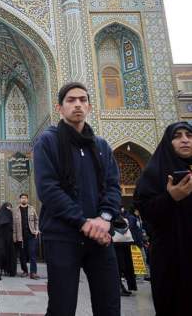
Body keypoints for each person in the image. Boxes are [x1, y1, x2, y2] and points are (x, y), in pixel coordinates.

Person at [33, 82, 121, 316]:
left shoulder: (101, 146)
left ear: (90, 106)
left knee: (109, 305)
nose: (78, 105)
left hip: (100, 237)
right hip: (62, 236)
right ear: (59, 108)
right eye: (71, 100)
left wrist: (104, 218)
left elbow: (112, 186)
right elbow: (48, 190)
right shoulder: (48, 142)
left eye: (82, 100)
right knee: (62, 306)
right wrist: (83, 222)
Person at [134, 121, 192, 316]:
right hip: (171, 258)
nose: (184, 140)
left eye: (189, 135)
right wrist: (170, 198)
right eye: (177, 136)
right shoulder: (154, 173)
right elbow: (145, 210)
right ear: (168, 142)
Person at [12, 194, 39, 279]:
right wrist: (14, 237)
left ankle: (33, 272)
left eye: (25, 198)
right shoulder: (15, 210)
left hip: (31, 235)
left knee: (32, 254)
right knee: (22, 255)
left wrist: (36, 230)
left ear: (27, 199)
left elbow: (36, 220)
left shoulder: (32, 209)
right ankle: (25, 271)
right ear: (20, 199)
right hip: (21, 236)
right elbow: (13, 225)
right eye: (22, 198)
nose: (24, 199)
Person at [0, 202, 16, 276]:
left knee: (6, 254)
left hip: (6, 238)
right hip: (4, 238)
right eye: (8, 207)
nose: (9, 208)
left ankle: (5, 270)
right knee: (3, 254)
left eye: (10, 207)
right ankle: (2, 270)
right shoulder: (6, 214)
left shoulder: (6, 214)